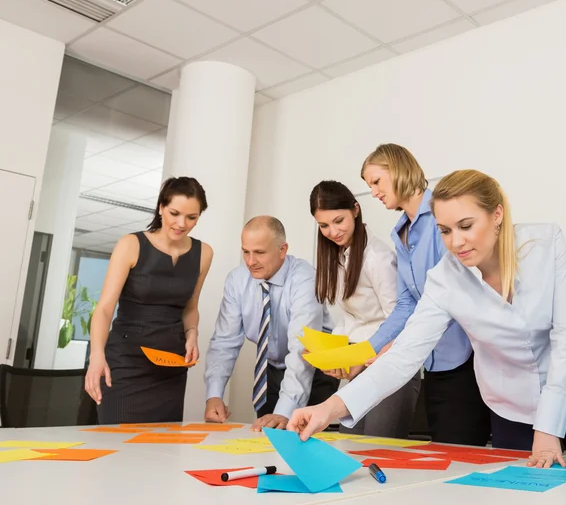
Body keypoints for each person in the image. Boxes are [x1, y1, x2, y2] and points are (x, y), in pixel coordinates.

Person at [288, 170, 566, 466]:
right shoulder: (444, 279)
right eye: (445, 231)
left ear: (497, 215)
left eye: (466, 226)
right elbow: (402, 358)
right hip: (510, 399)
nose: (456, 242)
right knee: (519, 487)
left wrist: (548, 428)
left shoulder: (545, 243)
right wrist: (328, 408)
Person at [360, 144, 490, 445]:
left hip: (467, 359)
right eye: (369, 186)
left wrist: (399, 344)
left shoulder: (442, 218)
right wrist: (368, 351)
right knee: (442, 450)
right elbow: (407, 303)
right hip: (431, 362)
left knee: (462, 453)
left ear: (398, 169)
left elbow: (458, 296)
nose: (374, 192)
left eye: (376, 181)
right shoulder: (400, 232)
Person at [85, 177, 213, 424]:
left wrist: (192, 333)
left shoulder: (204, 253)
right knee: (117, 446)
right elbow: (104, 309)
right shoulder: (131, 245)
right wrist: (97, 356)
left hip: (170, 367)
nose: (181, 223)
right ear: (161, 207)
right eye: (175, 213)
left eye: (191, 217)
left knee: (160, 450)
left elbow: (190, 306)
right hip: (125, 363)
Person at [204, 216, 338, 431]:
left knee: (306, 445)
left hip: (316, 368)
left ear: (282, 250)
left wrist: (284, 412)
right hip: (271, 370)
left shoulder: (305, 279)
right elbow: (224, 342)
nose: (250, 261)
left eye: (259, 252)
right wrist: (214, 395)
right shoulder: (237, 281)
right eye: (245, 252)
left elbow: (301, 349)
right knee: (267, 440)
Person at [309, 180, 420, 438]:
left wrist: (360, 358)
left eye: (339, 221)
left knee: (379, 448)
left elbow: (401, 318)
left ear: (356, 210)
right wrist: (331, 355)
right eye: (323, 225)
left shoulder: (378, 257)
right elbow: (350, 319)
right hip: (356, 361)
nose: (333, 231)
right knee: (353, 448)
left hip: (387, 362)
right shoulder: (336, 255)